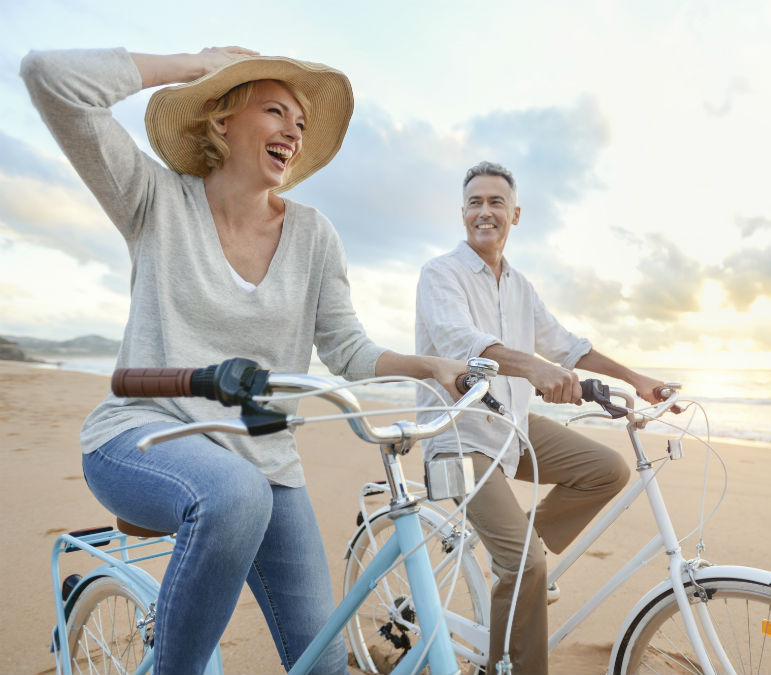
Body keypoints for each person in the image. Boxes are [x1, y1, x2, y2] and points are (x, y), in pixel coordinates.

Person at [21, 47, 464, 674]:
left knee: (324, 662)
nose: (293, 130)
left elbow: (346, 347)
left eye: (301, 123)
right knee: (234, 494)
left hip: (266, 462)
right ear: (221, 121)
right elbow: (52, 79)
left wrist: (429, 366)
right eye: (275, 111)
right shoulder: (154, 200)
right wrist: (189, 64)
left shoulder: (314, 235)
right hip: (141, 436)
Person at [415, 161, 669, 674]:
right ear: (463, 212)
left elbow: (566, 346)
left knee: (607, 470)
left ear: (515, 214)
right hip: (458, 435)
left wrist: (636, 379)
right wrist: (534, 368)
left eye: (495, 203)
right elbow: (460, 344)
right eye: (475, 202)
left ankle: (517, 552)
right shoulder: (440, 273)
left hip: (510, 425)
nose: (484, 212)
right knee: (526, 564)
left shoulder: (520, 285)